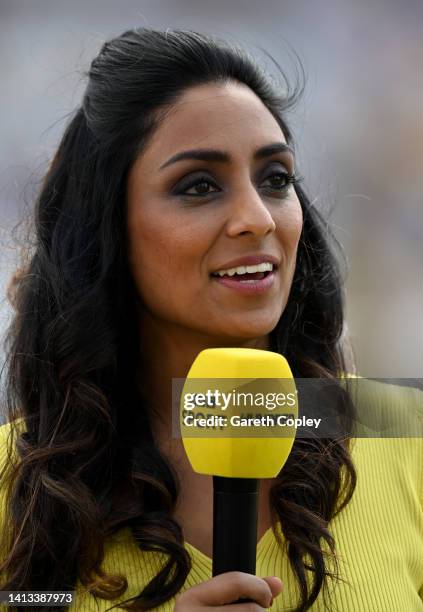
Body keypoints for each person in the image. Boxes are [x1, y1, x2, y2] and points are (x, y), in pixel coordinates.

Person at [0, 27, 421, 612]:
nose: (257, 218)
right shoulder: (21, 476)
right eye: (198, 186)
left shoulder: (404, 429)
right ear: (108, 230)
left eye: (275, 179)